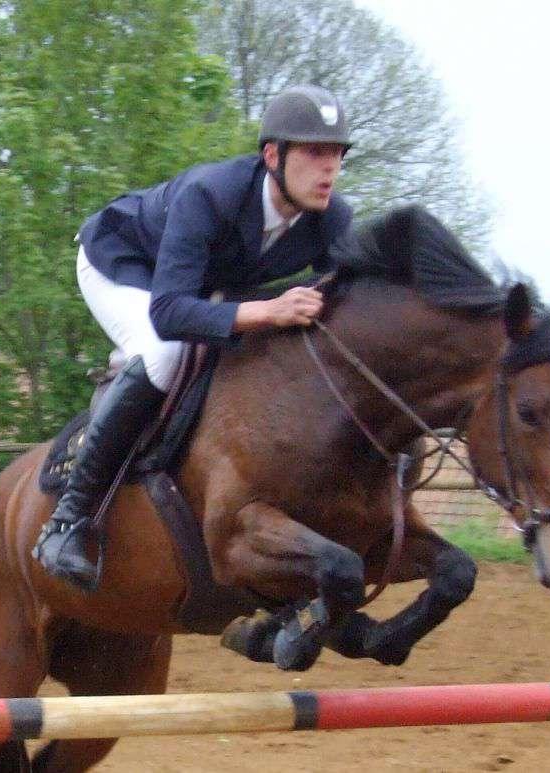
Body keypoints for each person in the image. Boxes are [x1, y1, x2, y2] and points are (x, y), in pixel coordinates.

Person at [33, 84, 355, 590]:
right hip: (120, 264)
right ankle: (68, 520)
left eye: (337, 153)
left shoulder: (332, 218)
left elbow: (341, 305)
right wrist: (269, 309)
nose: (329, 169)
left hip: (196, 285)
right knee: (164, 353)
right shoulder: (211, 195)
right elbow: (167, 313)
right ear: (273, 155)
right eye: (316, 153)